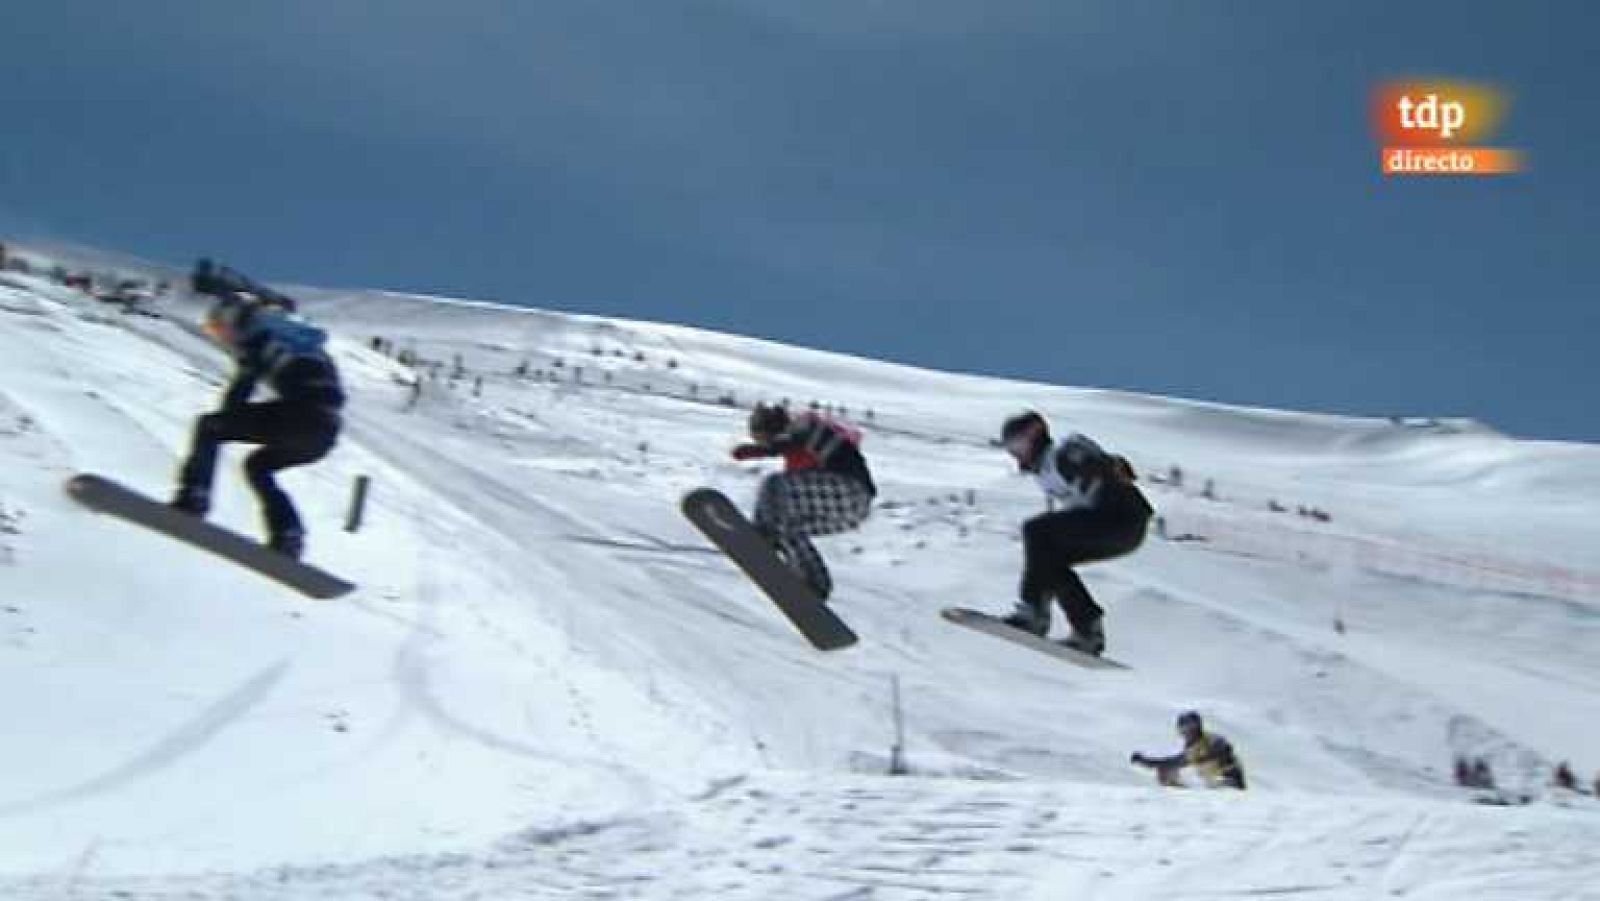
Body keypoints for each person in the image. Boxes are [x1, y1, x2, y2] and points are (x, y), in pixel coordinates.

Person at [171, 291, 345, 558]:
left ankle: (193, 497)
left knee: (209, 427)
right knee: (258, 466)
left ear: (234, 319)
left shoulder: (261, 336)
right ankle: (288, 534)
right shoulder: (302, 339)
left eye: (220, 329)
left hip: (299, 416)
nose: (224, 339)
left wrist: (228, 419)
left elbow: (244, 385)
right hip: (325, 431)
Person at [996, 410, 1152, 655]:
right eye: (1010, 450)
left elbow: (1095, 462)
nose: (1016, 456)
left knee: (1036, 532)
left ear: (1034, 435)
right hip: (1119, 528)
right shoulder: (1046, 471)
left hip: (1120, 517)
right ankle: (1087, 629)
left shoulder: (1063, 452)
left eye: (1017, 446)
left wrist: (1110, 466)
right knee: (1049, 560)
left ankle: (1033, 613)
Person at [731, 403, 875, 600]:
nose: (761, 442)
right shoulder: (798, 460)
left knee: (773, 485)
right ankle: (815, 582)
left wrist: (758, 450)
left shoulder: (804, 426)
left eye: (760, 437)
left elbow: (792, 441)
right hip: (852, 510)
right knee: (788, 528)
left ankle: (763, 536)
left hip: (849, 488)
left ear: (771, 429)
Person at [1131, 710, 1247, 789]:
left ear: (1197, 727)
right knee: (1165, 770)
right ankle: (1176, 792)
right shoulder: (1192, 748)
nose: (1187, 732)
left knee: (1172, 769)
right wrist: (1145, 761)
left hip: (1229, 782)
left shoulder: (1211, 740)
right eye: (1183, 729)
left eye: (1190, 728)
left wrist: (1203, 758)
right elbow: (1173, 762)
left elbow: (1224, 749)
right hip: (1213, 784)